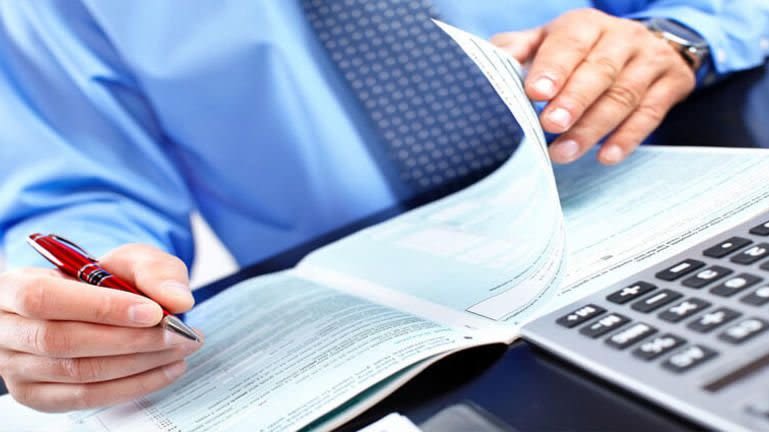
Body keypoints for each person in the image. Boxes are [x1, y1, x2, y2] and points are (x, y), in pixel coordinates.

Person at [0, 0, 767, 413]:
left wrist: (679, 35)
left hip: (668, 193)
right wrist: (75, 300)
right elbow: (81, 196)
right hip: (405, 340)